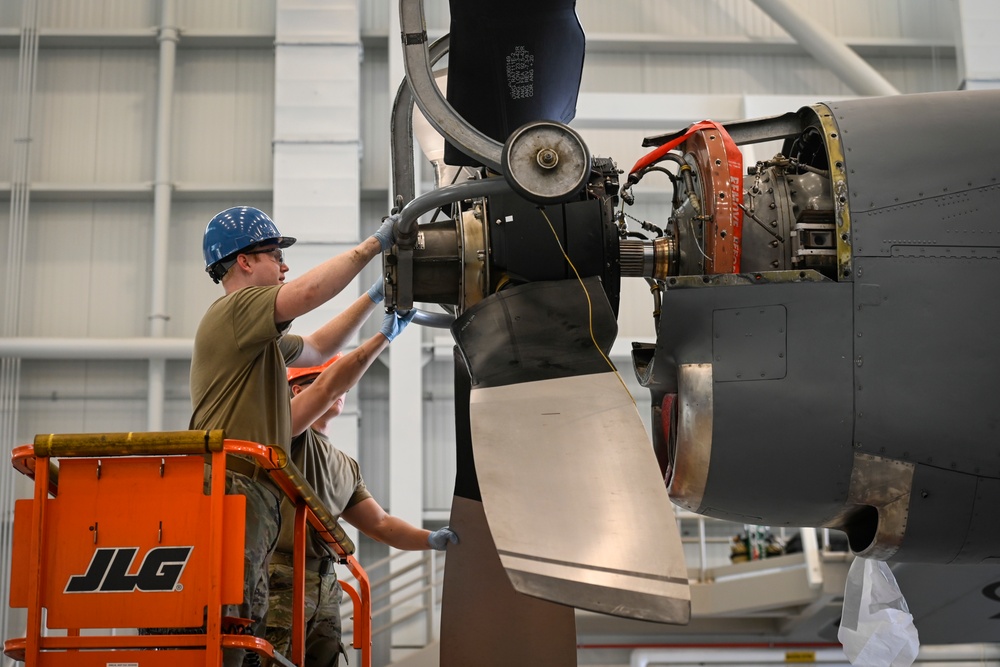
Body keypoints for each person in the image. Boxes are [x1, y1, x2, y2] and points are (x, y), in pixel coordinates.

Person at [183, 205, 402, 667]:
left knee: (247, 625)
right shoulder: (235, 309)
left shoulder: (255, 336)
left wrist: (374, 298)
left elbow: (319, 348)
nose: (283, 267)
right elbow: (306, 295)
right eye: (273, 255)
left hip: (248, 490)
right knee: (231, 628)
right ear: (244, 261)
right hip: (229, 484)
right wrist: (373, 246)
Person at [265, 306, 458, 665]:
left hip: (323, 586)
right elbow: (328, 386)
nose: (340, 389)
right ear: (295, 391)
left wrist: (430, 540)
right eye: (324, 381)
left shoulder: (345, 466)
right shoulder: (282, 432)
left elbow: (382, 526)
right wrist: (382, 337)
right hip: (277, 580)